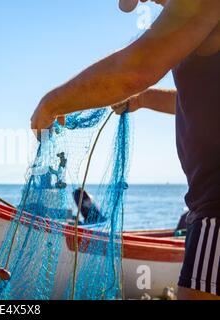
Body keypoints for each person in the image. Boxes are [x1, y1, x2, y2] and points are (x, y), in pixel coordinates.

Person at [31, 0, 219, 300]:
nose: (146, 2)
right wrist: (143, 99)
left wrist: (52, 103)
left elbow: (134, 69)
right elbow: (197, 100)